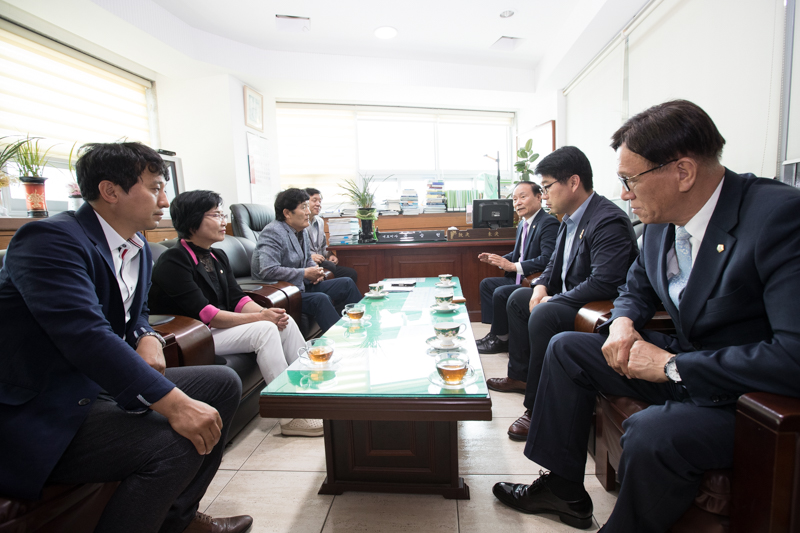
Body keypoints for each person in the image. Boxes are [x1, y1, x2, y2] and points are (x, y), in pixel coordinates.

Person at [493, 100, 800, 532]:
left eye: (630, 180)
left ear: (683, 172)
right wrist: (622, 322)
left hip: (742, 396)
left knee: (653, 433)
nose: (623, 194)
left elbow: (792, 357)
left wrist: (671, 366)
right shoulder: (659, 220)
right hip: (682, 361)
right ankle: (563, 492)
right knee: (566, 349)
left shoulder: (778, 217)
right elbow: (635, 287)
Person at [0, 143, 252, 533]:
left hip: (94, 388)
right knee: (176, 438)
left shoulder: (137, 247)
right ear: (111, 191)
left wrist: (146, 334)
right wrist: (175, 405)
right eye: (155, 188)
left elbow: (133, 316)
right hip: (44, 406)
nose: (165, 200)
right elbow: (84, 334)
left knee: (221, 383)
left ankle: (177, 522)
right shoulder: (49, 241)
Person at [490, 146, 638, 442]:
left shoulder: (607, 219)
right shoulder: (568, 219)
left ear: (573, 182)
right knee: (520, 298)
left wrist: (553, 299)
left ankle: (536, 409)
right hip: (572, 297)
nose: (543, 195)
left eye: (546, 187)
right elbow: (552, 264)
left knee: (545, 312)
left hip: (594, 305)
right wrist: (542, 286)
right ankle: (520, 374)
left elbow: (604, 282)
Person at [149, 190, 322, 438]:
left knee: (283, 321)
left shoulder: (216, 255)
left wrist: (267, 312)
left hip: (217, 328)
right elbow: (208, 314)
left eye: (222, 214)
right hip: (192, 337)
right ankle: (289, 415)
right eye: (215, 214)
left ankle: (310, 393)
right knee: (264, 330)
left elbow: (237, 299)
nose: (223, 221)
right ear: (192, 220)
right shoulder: (174, 261)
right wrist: (261, 318)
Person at [251, 188, 361, 332]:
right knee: (320, 299)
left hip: (301, 285)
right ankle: (340, 340)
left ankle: (361, 326)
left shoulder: (301, 230)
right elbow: (267, 270)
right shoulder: (272, 232)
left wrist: (316, 271)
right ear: (287, 213)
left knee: (346, 282)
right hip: (284, 292)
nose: (308, 211)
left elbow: (308, 259)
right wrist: (304, 273)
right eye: (303, 207)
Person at [476, 181, 558, 354]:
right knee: (486, 284)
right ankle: (496, 334)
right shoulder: (523, 223)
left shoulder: (548, 223)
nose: (517, 203)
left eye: (522, 197)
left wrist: (513, 266)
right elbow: (518, 254)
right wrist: (497, 260)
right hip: (520, 276)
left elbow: (548, 258)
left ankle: (501, 339)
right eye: (514, 199)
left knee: (501, 292)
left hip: (533, 281)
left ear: (538, 197)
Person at [305, 187, 358, 282]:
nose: (318, 204)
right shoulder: (300, 223)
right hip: (309, 263)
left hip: (321, 261)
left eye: (320, 201)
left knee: (351, 273)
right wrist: (311, 256)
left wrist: (330, 255)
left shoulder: (320, 221)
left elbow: (323, 246)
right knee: (330, 266)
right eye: (314, 200)